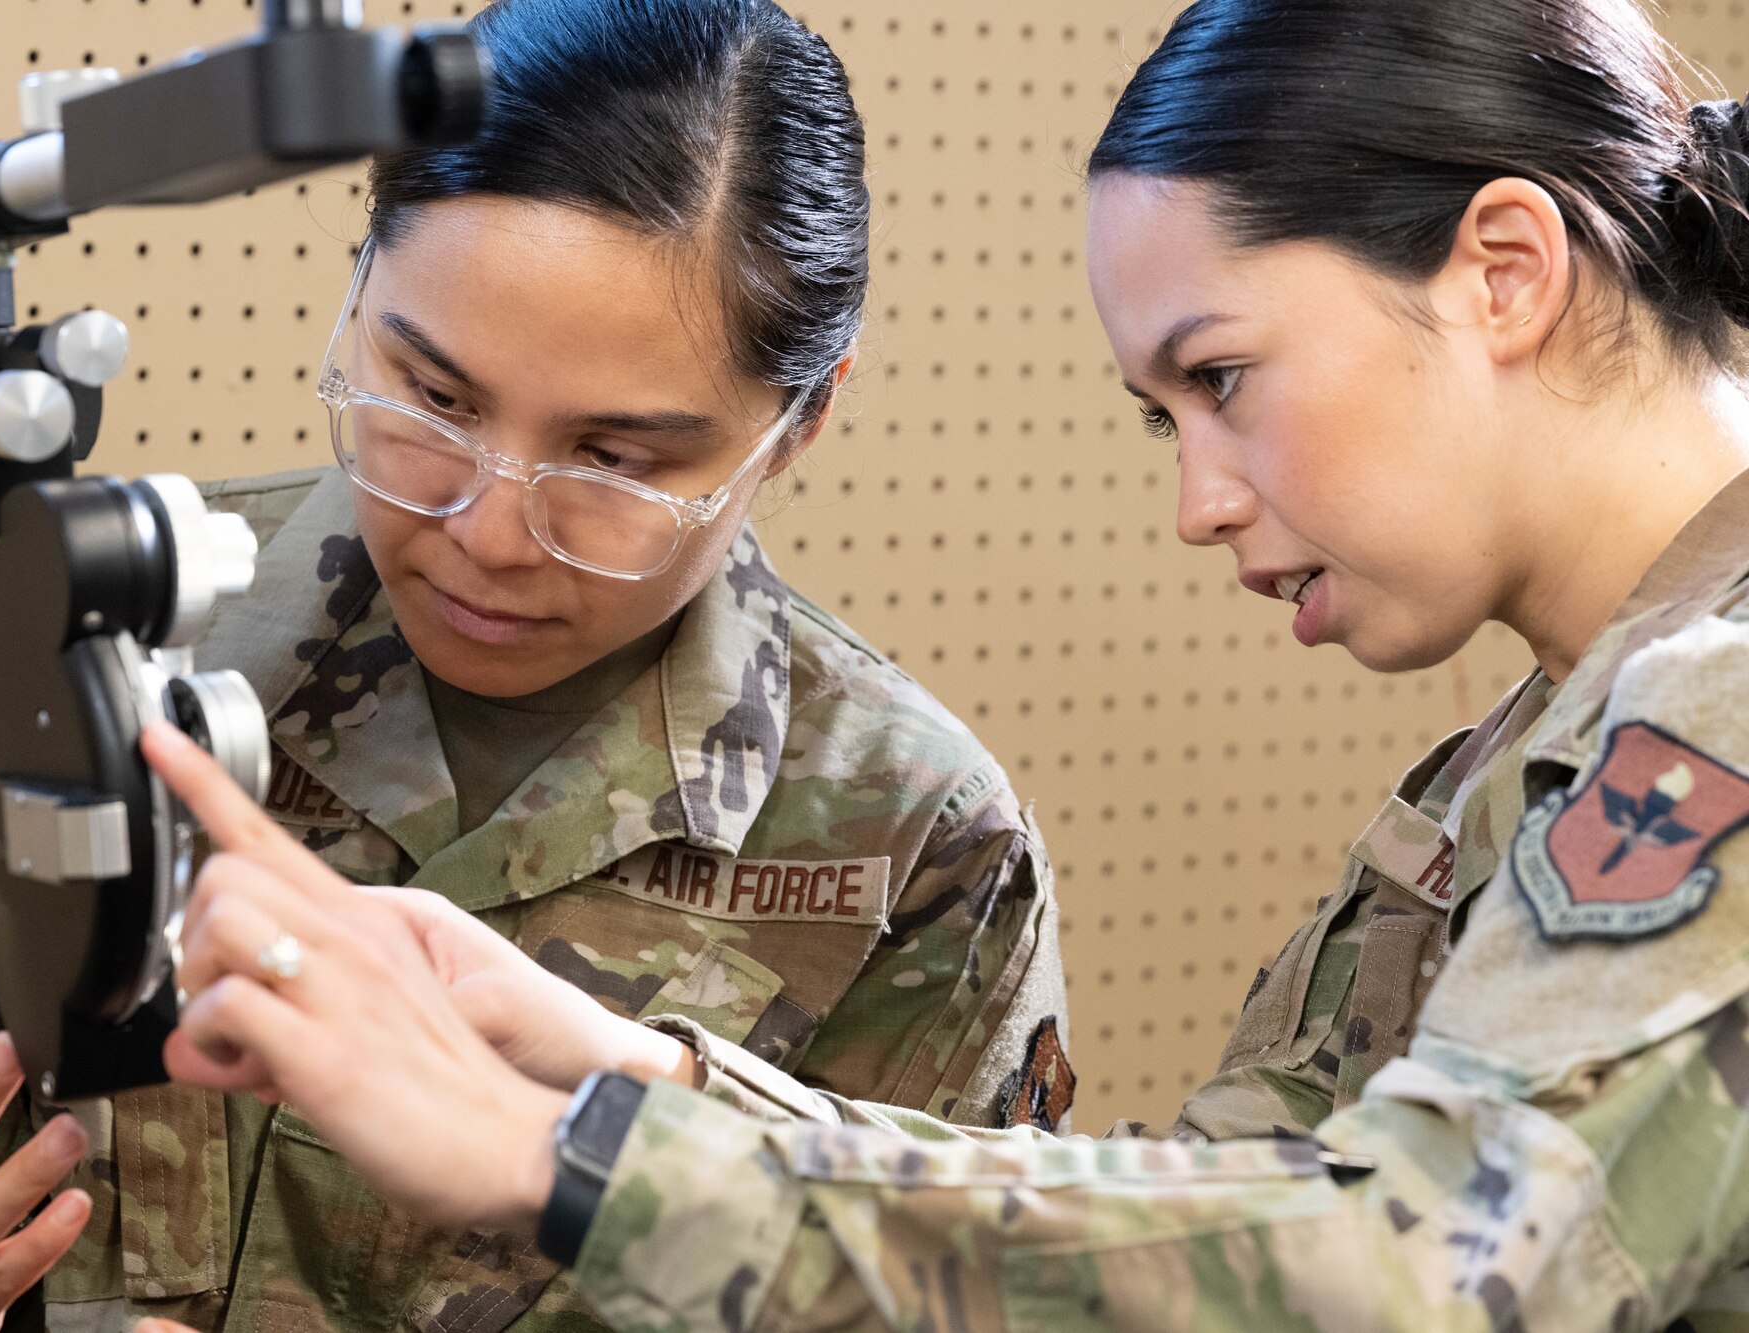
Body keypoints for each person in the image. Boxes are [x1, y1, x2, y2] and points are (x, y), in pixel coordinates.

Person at [114, 0, 1749, 1327]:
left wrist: (571, 1156)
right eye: (1157, 414)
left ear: (1506, 271)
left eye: (1225, 376)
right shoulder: (1549, 738)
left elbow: (1425, 1274)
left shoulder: (1719, 694)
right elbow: (1235, 1203)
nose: (1195, 502)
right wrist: (638, 1069)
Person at [0, 1, 1075, 1329]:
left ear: (801, 420)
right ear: (363, 288)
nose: (488, 536)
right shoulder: (39, 646)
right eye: (433, 399)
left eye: (613, 460)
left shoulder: (922, 848)